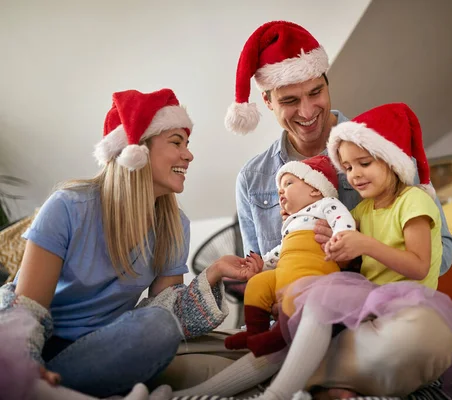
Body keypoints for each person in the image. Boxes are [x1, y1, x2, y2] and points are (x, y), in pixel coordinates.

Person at [0, 88, 260, 398]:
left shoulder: (175, 225)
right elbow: (27, 309)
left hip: (107, 348)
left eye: (187, 144)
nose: (188, 154)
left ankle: (48, 391)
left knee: (159, 325)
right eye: (176, 143)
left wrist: (214, 272)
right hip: (41, 350)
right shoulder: (67, 206)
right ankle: (31, 383)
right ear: (136, 151)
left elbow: (168, 314)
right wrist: (24, 365)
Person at [253, 103, 452, 399]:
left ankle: (325, 380)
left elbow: (419, 266)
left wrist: (365, 244)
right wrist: (337, 252)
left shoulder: (413, 201)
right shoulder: (359, 211)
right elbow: (352, 265)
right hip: (366, 314)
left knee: (419, 337)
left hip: (408, 313)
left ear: (391, 160)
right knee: (318, 305)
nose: (354, 175)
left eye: (364, 163)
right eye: (347, 168)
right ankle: (300, 387)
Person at [226, 20, 452, 276]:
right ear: (267, 101)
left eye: (315, 92)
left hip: (377, 309)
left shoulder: (386, 150)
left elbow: (442, 255)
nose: (307, 111)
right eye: (289, 100)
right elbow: (257, 274)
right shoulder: (251, 179)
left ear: (327, 84)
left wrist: (364, 246)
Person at [224, 155, 355, 357]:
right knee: (258, 283)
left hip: (312, 272)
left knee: (297, 292)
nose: (281, 191)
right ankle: (254, 332)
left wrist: (340, 237)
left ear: (314, 188)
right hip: (287, 270)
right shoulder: (291, 223)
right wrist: (263, 264)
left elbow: (341, 219)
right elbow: (283, 250)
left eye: (288, 183)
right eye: (280, 189)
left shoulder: (325, 203)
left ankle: (277, 337)